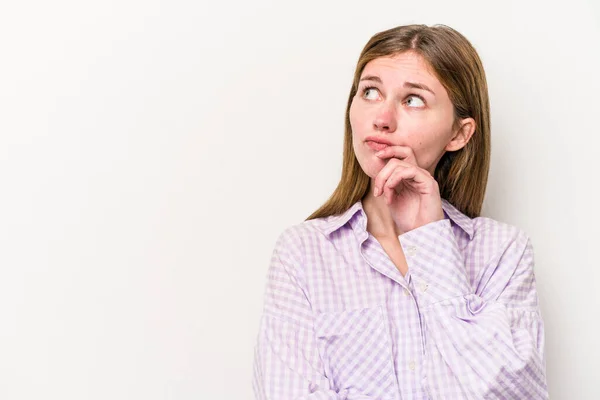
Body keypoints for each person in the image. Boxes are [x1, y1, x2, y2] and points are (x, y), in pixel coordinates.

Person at [252, 24, 548, 399]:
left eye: (413, 100)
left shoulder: (502, 252)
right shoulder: (304, 253)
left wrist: (430, 241)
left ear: (459, 133)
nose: (382, 118)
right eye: (370, 92)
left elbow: (513, 394)